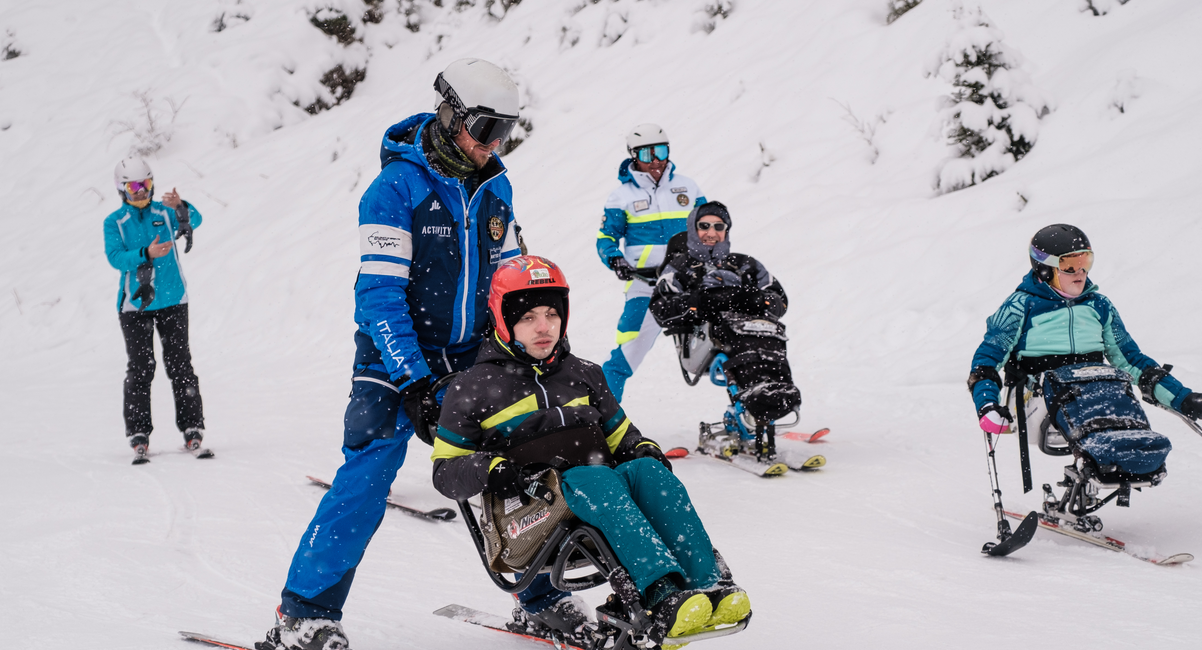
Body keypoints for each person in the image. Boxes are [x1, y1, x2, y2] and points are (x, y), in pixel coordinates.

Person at [258, 58, 524, 650]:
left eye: (506, 131)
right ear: (453, 116)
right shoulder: (396, 188)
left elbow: (511, 275)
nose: (495, 144)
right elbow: (379, 295)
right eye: (486, 129)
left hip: (472, 352)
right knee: (368, 472)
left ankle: (538, 597)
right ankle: (305, 612)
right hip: (392, 356)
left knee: (516, 462)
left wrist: (528, 342)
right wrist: (414, 379)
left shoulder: (496, 187)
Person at [433, 255, 750, 648]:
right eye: (528, 317)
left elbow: (621, 436)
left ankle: (708, 583)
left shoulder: (584, 373)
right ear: (502, 319)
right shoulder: (473, 388)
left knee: (649, 474)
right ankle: (659, 592)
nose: (544, 327)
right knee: (596, 478)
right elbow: (445, 471)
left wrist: (644, 449)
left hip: (596, 498)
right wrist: (492, 469)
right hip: (528, 511)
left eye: (552, 313)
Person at [967, 224, 1202, 478]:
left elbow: (1130, 359)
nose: (1081, 272)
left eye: (1086, 261)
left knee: (1116, 384)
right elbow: (987, 361)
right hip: (1040, 396)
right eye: (1070, 266)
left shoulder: (1099, 305)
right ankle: (1103, 457)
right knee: (1081, 390)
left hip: (1091, 392)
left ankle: (1134, 449)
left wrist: (1182, 398)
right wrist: (987, 405)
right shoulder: (1020, 306)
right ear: (1044, 268)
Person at [650, 201, 798, 456]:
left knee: (771, 332)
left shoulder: (745, 265)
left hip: (749, 331)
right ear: (693, 229)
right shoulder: (681, 268)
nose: (711, 232)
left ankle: (776, 393)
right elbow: (661, 308)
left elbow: (778, 300)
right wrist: (699, 302)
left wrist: (751, 297)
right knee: (737, 336)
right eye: (704, 226)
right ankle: (755, 400)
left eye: (718, 226)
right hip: (700, 340)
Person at [102, 157, 206, 462]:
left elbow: (195, 220)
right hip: (136, 306)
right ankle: (138, 433)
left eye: (145, 185)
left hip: (173, 301)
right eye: (133, 187)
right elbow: (115, 257)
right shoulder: (114, 222)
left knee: (180, 365)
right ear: (122, 190)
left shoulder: (164, 212)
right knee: (141, 368)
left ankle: (192, 429)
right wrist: (144, 253)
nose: (140, 192)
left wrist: (180, 206)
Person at [596, 123, 707, 401]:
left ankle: (748, 413)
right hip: (647, 284)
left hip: (689, 280)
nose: (656, 161)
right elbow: (606, 238)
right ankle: (603, 418)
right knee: (628, 347)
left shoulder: (687, 187)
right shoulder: (621, 196)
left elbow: (710, 226)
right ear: (634, 156)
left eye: (661, 151)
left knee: (723, 337)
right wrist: (616, 260)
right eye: (647, 155)